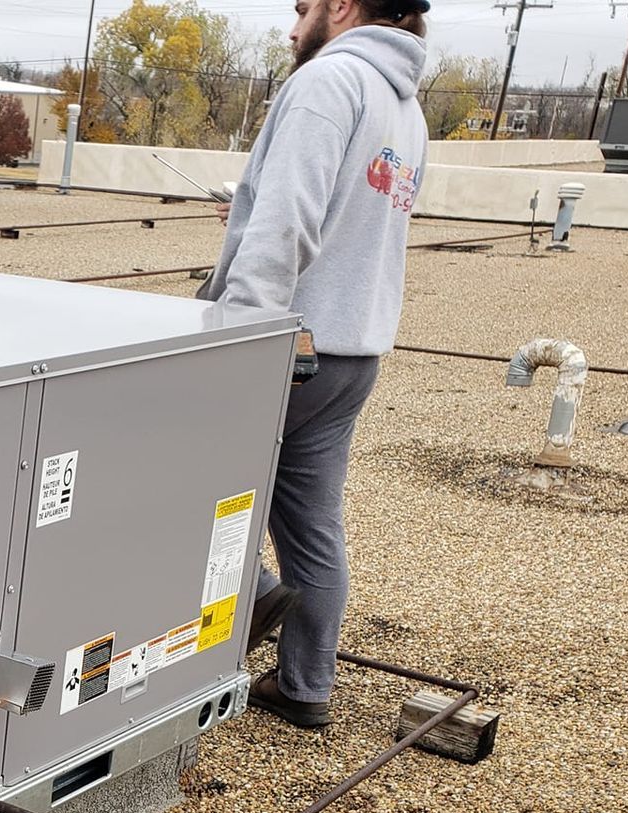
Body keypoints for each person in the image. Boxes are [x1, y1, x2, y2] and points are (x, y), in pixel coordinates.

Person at [198, 0, 431, 728]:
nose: (292, 26)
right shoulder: (405, 107)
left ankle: (254, 594)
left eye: (302, 9)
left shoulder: (330, 82)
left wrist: (244, 334)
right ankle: (305, 687)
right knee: (312, 523)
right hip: (354, 349)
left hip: (288, 346)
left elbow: (289, 221)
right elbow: (340, 218)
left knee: (172, 480)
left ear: (341, 7)